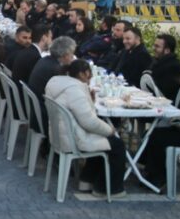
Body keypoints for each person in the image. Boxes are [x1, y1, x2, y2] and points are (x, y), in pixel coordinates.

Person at [44, 60, 126, 198]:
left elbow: (82, 114)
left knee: (103, 139)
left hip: (59, 135)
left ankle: (87, 180)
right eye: (90, 74)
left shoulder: (58, 83)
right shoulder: (75, 90)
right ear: (84, 74)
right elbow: (89, 122)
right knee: (117, 144)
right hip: (73, 139)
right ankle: (107, 189)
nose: (90, 78)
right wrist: (110, 130)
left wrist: (90, 101)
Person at [27, 36, 77, 134]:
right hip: (45, 116)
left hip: (36, 109)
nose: (73, 57)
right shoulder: (56, 70)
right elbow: (68, 96)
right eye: (72, 54)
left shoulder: (45, 60)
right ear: (65, 55)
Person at [149, 34, 180, 99]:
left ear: (167, 50)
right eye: (154, 45)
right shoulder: (157, 63)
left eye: (157, 46)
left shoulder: (173, 67)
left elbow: (165, 92)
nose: (153, 48)